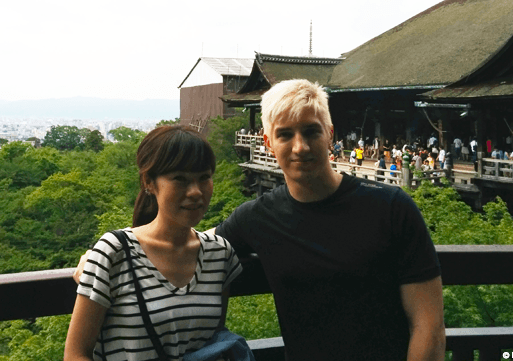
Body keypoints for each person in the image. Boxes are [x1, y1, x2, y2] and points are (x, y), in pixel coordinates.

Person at [75, 80, 445, 361]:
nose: (299, 146)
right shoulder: (257, 217)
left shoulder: (391, 209)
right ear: (268, 143)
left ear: (330, 135)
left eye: (311, 131)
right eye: (285, 135)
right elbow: (191, 243)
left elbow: (427, 323)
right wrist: (106, 258)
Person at [65, 126, 243, 361]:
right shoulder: (114, 251)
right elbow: (76, 354)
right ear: (149, 182)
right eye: (180, 179)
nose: (195, 191)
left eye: (204, 178)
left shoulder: (220, 254)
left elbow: (211, 343)